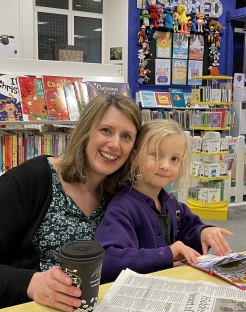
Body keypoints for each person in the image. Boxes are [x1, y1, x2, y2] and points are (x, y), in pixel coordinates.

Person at [0, 94, 142, 312]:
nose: (114, 144)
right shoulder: (31, 180)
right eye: (106, 130)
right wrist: (32, 283)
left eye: (126, 136)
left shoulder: (118, 196)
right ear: (86, 131)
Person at [94, 119, 232, 283]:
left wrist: (203, 232)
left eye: (174, 159)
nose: (165, 165)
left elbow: (189, 228)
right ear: (135, 157)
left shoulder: (171, 203)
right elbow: (109, 261)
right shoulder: (122, 207)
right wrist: (167, 254)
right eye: (156, 155)